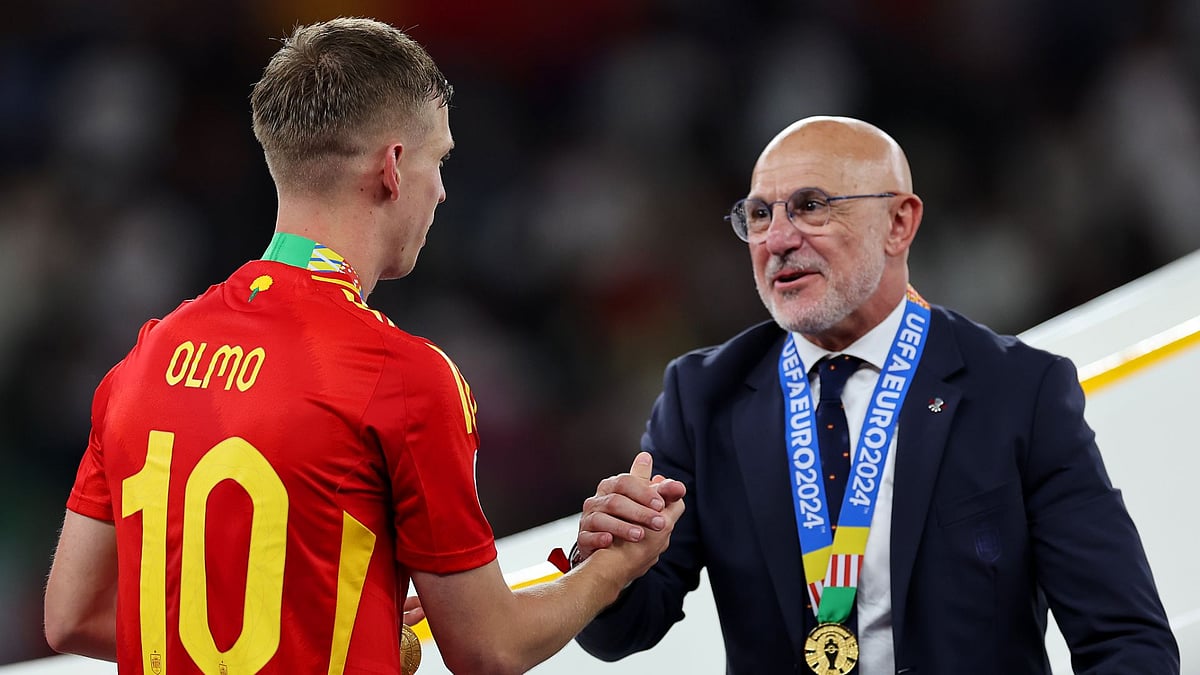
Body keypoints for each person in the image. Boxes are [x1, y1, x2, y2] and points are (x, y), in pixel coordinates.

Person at [42, 17, 684, 675]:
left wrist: (354, 626)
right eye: (441, 160)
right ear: (395, 167)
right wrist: (616, 565)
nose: (441, 190)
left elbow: (73, 614)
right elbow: (489, 647)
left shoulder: (147, 355)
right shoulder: (402, 376)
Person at [570, 116, 1179, 673]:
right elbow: (623, 631)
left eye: (809, 206)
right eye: (759, 215)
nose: (776, 239)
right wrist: (608, 560)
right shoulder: (702, 395)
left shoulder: (1020, 391)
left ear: (899, 223)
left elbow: (1126, 640)